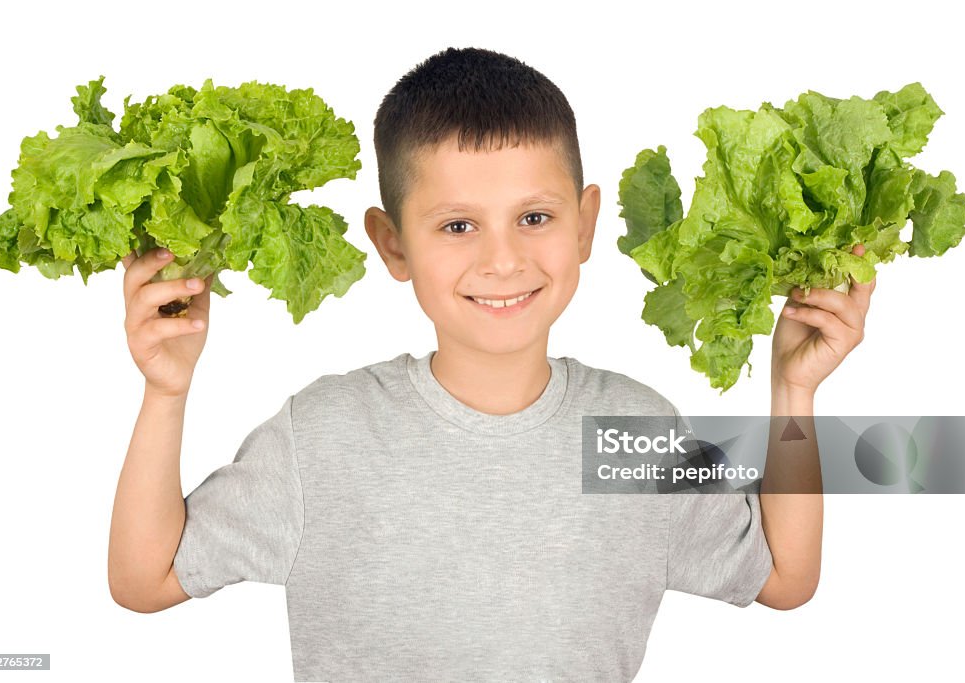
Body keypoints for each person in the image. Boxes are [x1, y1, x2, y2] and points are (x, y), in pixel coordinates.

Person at [108, 47, 875, 681]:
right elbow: (146, 579)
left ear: (584, 225)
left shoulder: (633, 432)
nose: (502, 259)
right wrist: (165, 390)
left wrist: (793, 387)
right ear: (393, 243)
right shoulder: (325, 433)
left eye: (534, 218)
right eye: (458, 225)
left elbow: (782, 577)